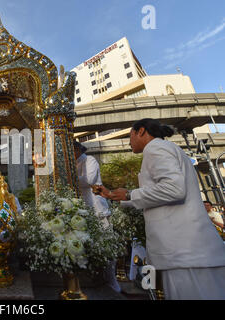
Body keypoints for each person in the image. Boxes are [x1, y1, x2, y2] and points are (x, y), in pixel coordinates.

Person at [98, 118, 225, 300]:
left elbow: (174, 189)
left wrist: (130, 194)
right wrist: (116, 196)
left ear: (141, 131)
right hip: (190, 252)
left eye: (130, 135)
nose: (128, 141)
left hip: (183, 252)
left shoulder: (155, 148)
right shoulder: (168, 148)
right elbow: (161, 194)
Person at [73, 141, 121, 293]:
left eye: (71, 149)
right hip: (82, 213)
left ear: (77, 149)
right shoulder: (73, 164)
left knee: (105, 247)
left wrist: (68, 177)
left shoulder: (90, 160)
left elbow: (89, 180)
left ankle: (112, 283)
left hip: (97, 210)